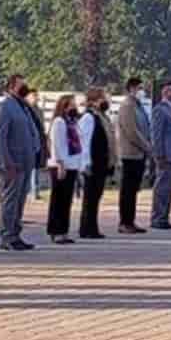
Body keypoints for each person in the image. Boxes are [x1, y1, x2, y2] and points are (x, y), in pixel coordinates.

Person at [0, 77, 42, 251]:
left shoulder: (23, 106)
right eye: (22, 85)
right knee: (10, 202)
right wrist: (7, 161)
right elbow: (0, 137)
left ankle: (15, 234)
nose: (26, 88)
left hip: (25, 162)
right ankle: (7, 236)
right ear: (12, 87)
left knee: (19, 201)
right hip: (12, 163)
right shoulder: (6, 106)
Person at [114, 77, 154, 234]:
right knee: (127, 190)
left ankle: (131, 221)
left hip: (138, 154)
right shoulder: (127, 106)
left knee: (133, 190)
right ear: (131, 88)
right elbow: (131, 131)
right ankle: (124, 222)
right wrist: (146, 146)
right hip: (130, 153)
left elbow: (144, 127)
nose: (141, 92)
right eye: (139, 88)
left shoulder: (138, 106)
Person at [46, 94, 87, 245]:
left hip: (72, 165)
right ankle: (55, 231)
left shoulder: (73, 123)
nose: (74, 108)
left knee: (67, 200)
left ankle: (64, 230)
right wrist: (60, 164)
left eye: (74, 105)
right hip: (60, 165)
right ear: (63, 107)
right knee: (58, 199)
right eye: (71, 105)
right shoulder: (59, 122)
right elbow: (56, 144)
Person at [77, 88, 115, 240]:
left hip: (101, 162)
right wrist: (86, 164)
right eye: (103, 98)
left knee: (96, 196)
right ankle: (86, 228)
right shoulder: (89, 117)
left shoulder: (102, 117)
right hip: (92, 163)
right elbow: (85, 142)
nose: (105, 101)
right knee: (90, 197)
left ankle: (92, 226)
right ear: (94, 101)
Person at [149, 79, 171, 231]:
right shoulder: (160, 110)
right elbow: (156, 134)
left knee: (168, 188)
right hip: (164, 155)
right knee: (161, 187)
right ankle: (157, 217)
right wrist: (159, 154)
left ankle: (164, 217)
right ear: (165, 92)